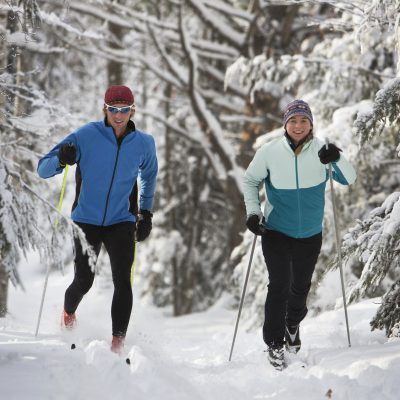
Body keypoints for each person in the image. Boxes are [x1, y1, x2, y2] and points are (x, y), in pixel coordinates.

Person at [37, 85, 158, 354]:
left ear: (132, 110)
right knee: (84, 280)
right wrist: (61, 158)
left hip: (121, 220)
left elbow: (149, 177)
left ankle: (118, 344)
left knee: (122, 280)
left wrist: (145, 213)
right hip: (86, 220)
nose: (118, 115)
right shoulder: (86, 135)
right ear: (105, 109)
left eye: (124, 109)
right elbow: (42, 169)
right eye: (113, 109)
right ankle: (68, 313)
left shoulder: (144, 143)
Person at [242, 99, 356, 370]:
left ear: (311, 124)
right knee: (278, 285)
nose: (298, 125)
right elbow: (250, 180)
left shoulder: (321, 151)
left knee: (300, 288)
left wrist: (337, 157)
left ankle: (292, 324)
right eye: (293, 120)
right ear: (285, 124)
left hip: (309, 233)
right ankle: (274, 345)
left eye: (303, 120)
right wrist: (253, 213)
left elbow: (349, 179)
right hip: (277, 231)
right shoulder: (269, 152)